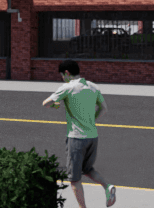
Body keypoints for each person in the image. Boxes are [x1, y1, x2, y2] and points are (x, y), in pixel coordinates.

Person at [41, 60, 116, 207]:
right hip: (93, 136)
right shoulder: (93, 86)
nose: (62, 78)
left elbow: (46, 103)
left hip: (76, 138)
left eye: (62, 75)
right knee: (88, 169)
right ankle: (107, 186)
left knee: (74, 180)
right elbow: (104, 108)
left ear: (67, 73)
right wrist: (92, 120)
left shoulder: (68, 87)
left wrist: (56, 105)